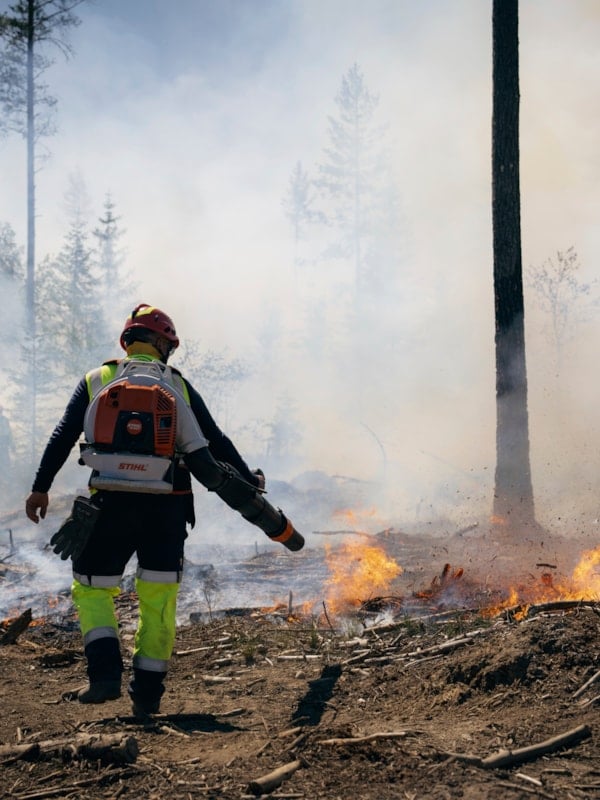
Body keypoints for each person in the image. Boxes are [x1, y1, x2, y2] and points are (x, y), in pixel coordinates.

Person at [25, 303, 302, 716]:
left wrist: (39, 489)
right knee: (158, 598)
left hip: (107, 506)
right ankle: (148, 696)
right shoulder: (178, 385)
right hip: (167, 510)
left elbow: (63, 435)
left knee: (92, 588)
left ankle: (103, 678)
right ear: (161, 344)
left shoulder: (96, 379)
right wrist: (249, 479)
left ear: (127, 341)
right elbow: (215, 442)